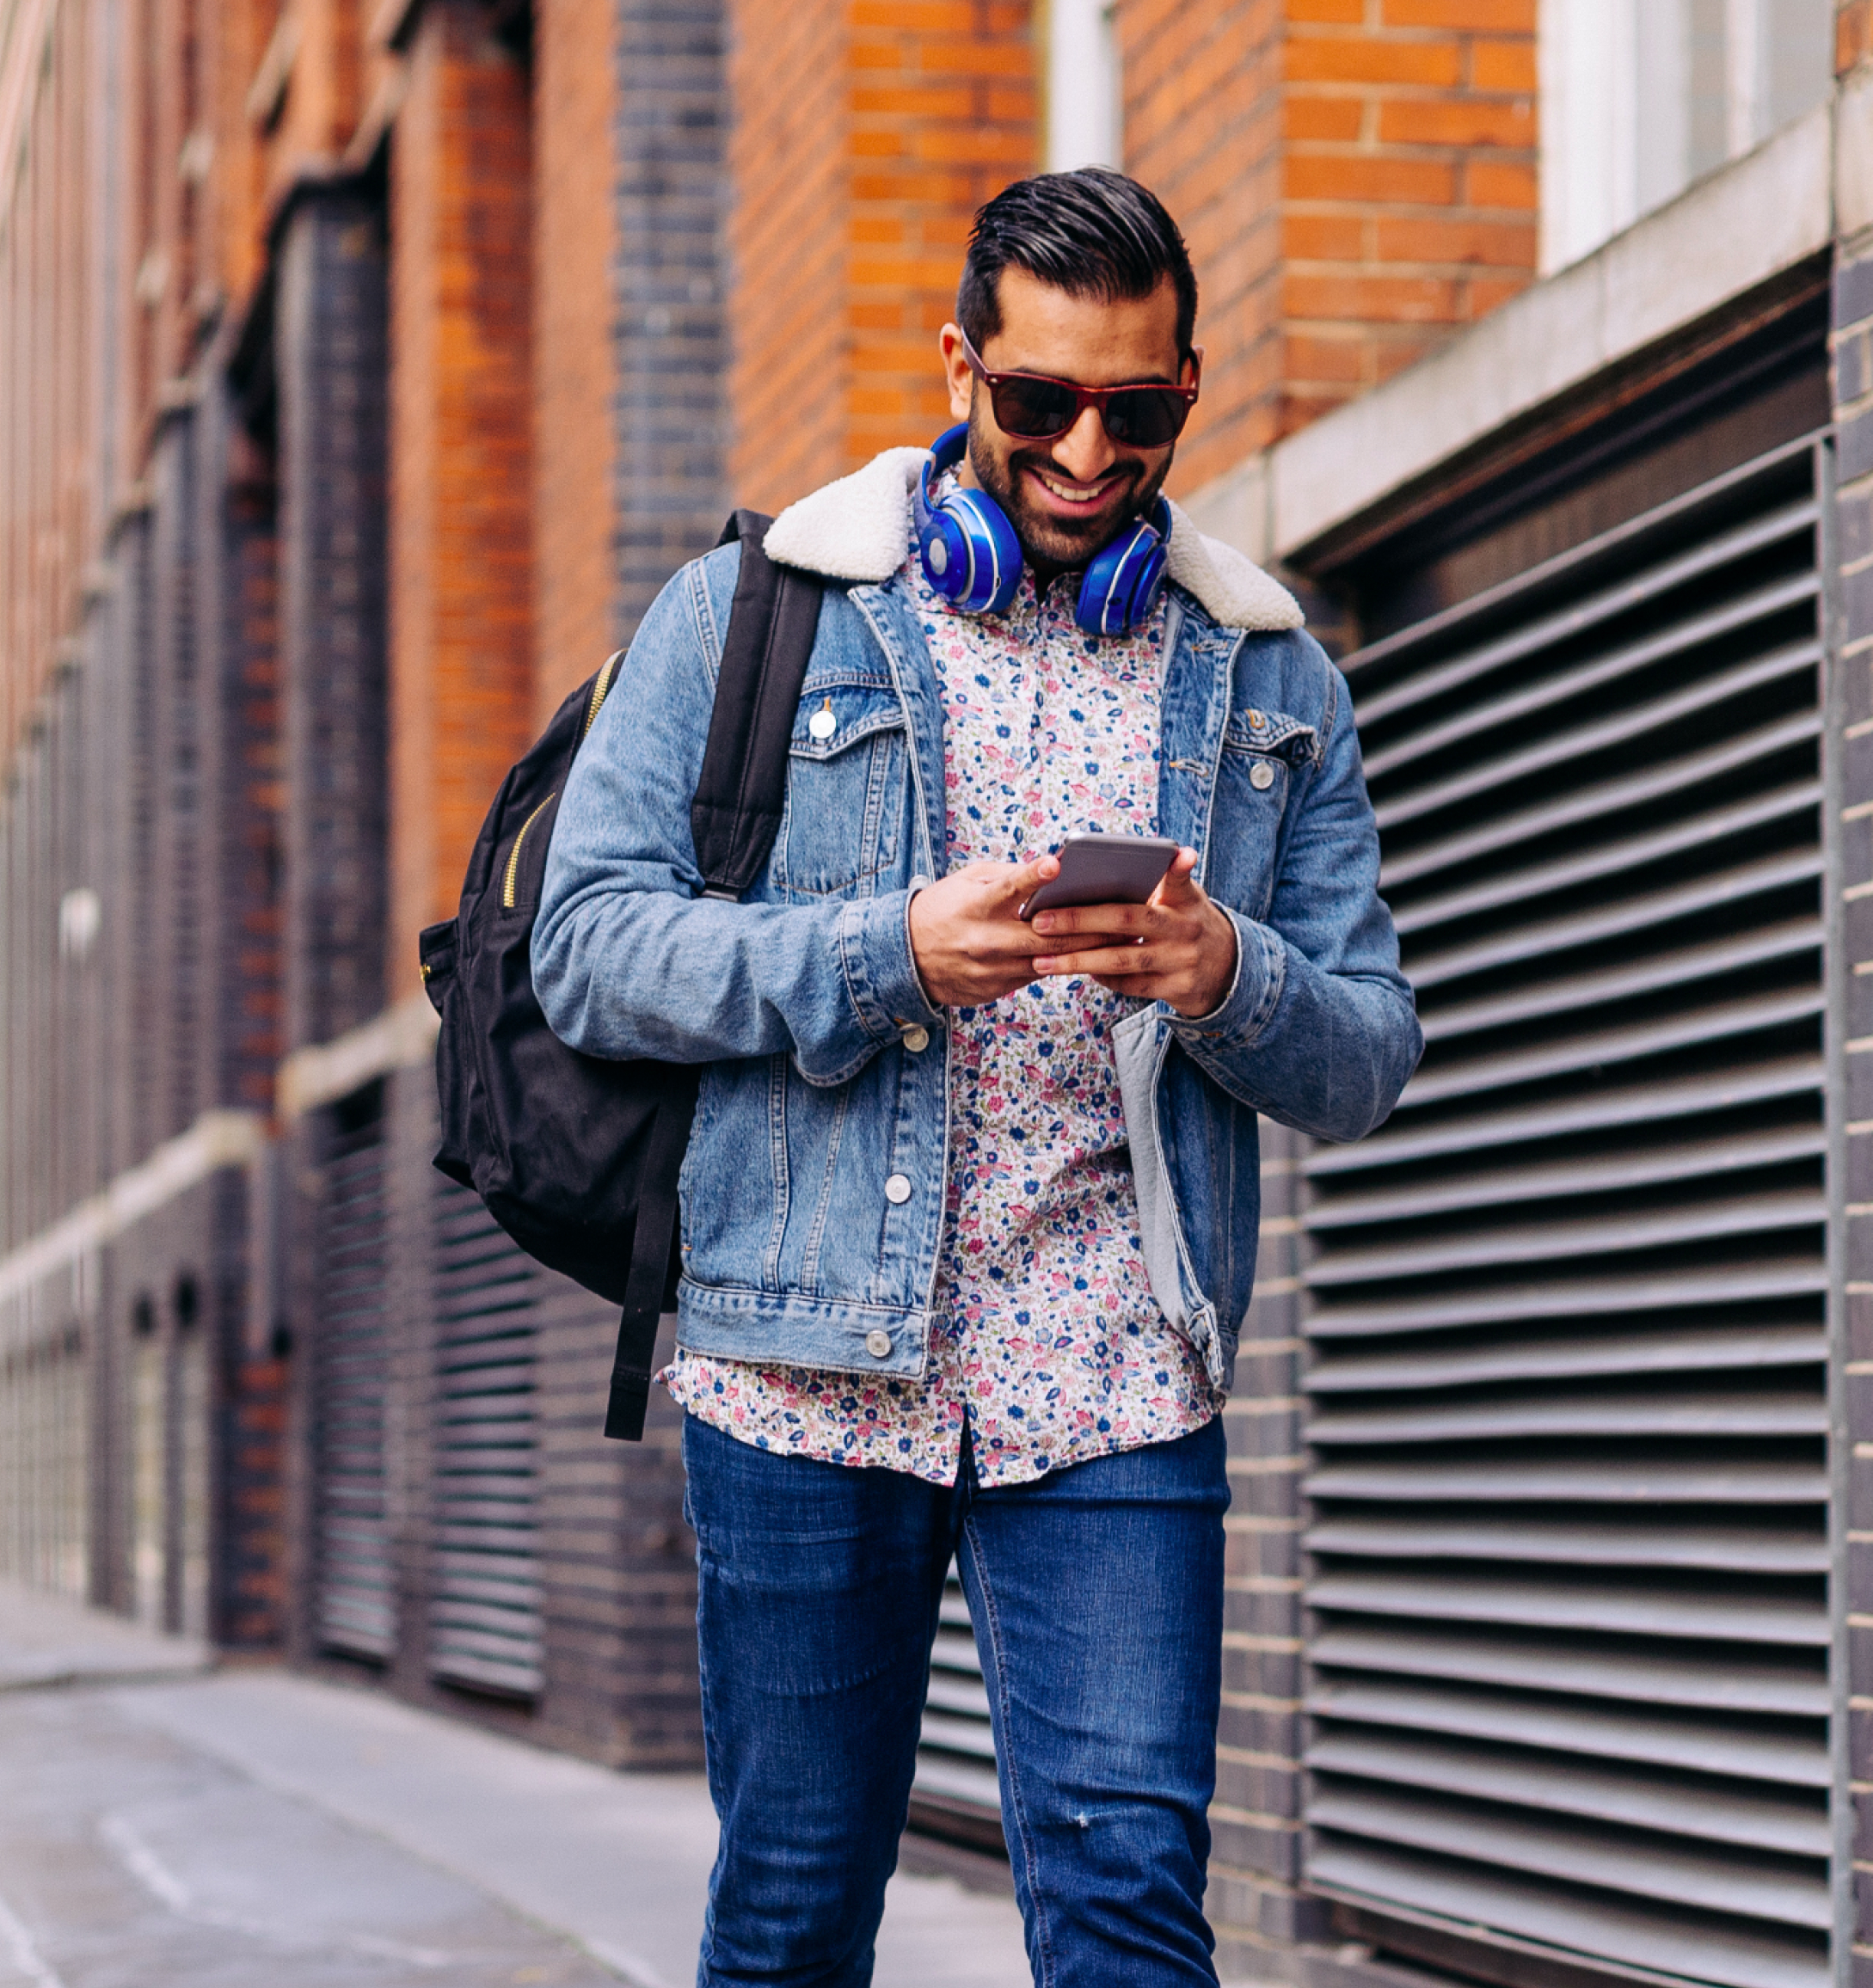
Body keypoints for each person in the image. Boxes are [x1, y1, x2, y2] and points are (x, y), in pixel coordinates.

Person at [530, 169, 1419, 1988]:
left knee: (1123, 1916)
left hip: (1110, 1377)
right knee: (792, 1901)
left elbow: (1367, 1054)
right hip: (799, 1371)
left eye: (1140, 409)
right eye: (1038, 404)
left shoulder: (1261, 675)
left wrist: (1224, 975)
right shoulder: (756, 616)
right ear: (957, 368)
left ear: (1187, 381)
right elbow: (588, 946)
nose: (1090, 450)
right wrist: (883, 953)